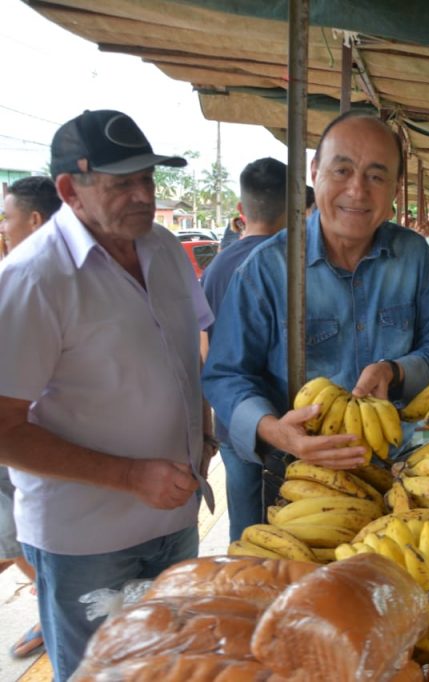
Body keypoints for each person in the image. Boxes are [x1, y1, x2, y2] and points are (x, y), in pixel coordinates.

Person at [0, 110, 214, 680]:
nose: (144, 195)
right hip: (87, 542)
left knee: (173, 668)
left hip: (175, 517)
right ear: (70, 189)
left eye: (148, 179)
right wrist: (128, 477)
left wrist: (206, 428)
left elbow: (191, 348)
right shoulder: (34, 278)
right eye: (123, 184)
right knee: (103, 674)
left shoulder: (164, 249)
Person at [202, 111, 429, 494]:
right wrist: (277, 432)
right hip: (302, 477)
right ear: (314, 171)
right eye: (342, 171)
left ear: (395, 187)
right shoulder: (267, 269)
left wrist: (395, 370)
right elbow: (225, 375)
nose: (358, 191)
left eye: (376, 176)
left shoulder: (414, 257)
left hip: (406, 470)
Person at [200, 157, 287, 541]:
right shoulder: (292, 264)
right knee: (293, 532)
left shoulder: (216, 268)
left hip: (233, 423)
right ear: (294, 208)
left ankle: (245, 595)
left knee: (246, 532)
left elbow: (203, 350)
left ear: (241, 210)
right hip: (287, 425)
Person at [0, 175, 61, 660]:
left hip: (40, 460)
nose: (4, 226)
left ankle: (49, 610)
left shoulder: (31, 278)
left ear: (35, 220)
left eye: (8, 217)